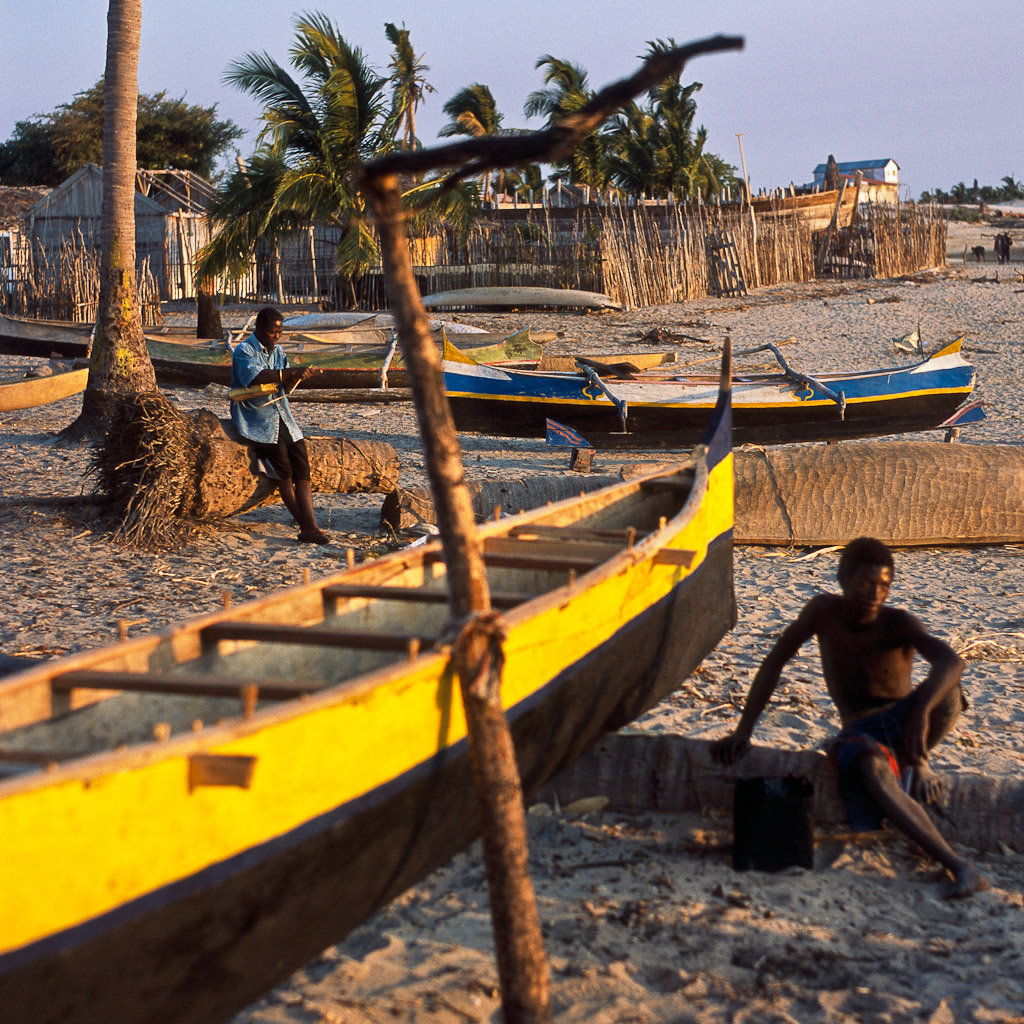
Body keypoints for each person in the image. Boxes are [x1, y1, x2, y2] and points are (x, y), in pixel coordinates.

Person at [710, 537, 988, 898]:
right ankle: (959, 866)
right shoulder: (823, 613)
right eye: (866, 582)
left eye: (885, 584)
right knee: (871, 772)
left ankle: (916, 763)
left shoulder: (898, 623)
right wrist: (743, 732)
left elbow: (953, 661)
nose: (876, 592)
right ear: (843, 579)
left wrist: (919, 717)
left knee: (949, 692)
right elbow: (773, 664)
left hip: (907, 722)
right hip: (862, 728)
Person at [230, 306, 329, 544]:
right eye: (274, 332)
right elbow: (257, 377)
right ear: (260, 329)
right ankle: (309, 528)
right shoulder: (244, 350)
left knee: (302, 468)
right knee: (283, 472)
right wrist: (291, 372)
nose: (277, 336)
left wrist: (297, 376)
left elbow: (283, 383)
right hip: (257, 418)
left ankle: (310, 526)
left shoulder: (279, 351)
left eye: (280, 332)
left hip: (282, 415)